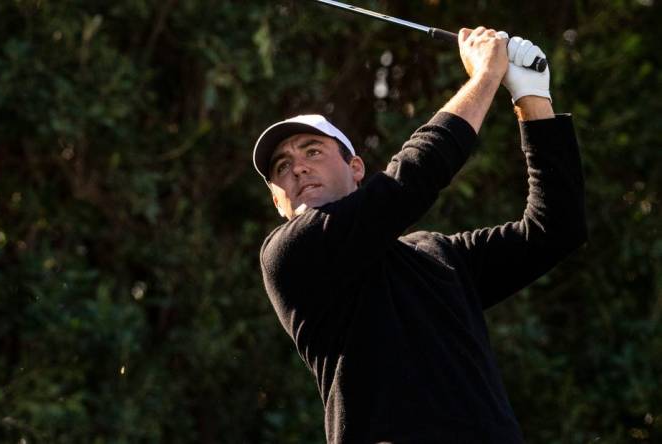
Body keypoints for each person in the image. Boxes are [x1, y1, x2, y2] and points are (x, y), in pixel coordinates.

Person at [252, 27, 587, 443]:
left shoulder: (438, 256)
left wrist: (531, 96)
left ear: (356, 168)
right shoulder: (289, 255)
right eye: (281, 167)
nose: (297, 168)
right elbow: (410, 180)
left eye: (312, 151)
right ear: (278, 203)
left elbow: (554, 230)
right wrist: (484, 78)